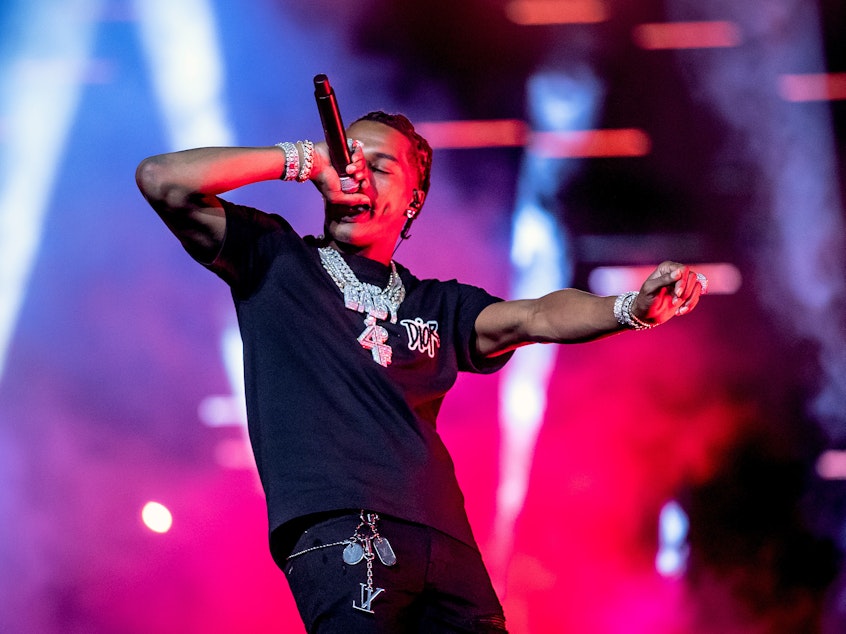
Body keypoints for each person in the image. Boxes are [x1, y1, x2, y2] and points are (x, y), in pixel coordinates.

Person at [135, 110, 705, 633]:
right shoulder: (278, 260)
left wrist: (630, 309)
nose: (356, 172)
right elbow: (163, 178)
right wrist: (305, 157)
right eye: (348, 158)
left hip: (446, 543)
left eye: (379, 166)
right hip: (343, 531)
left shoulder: (439, 304)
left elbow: (536, 315)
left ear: (414, 199)